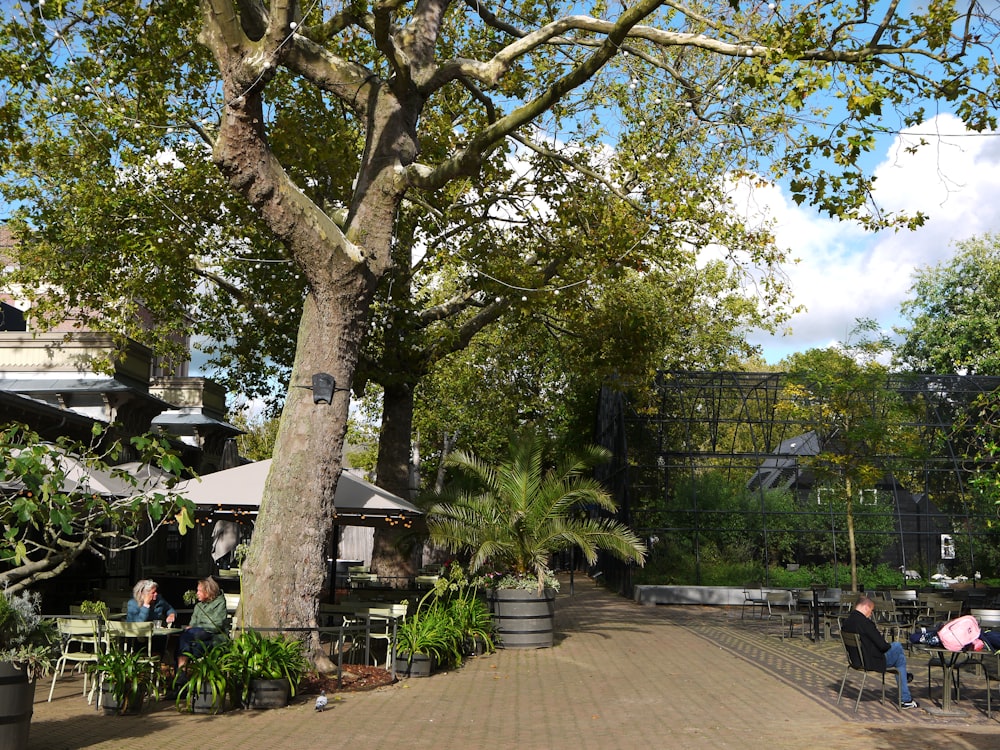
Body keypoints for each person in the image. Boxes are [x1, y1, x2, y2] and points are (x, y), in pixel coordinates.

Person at [842, 595, 918, 709]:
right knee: (897, 647)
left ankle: (906, 695)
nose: (871, 614)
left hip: (855, 660)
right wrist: (887, 644)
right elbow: (882, 646)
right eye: (871, 611)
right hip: (870, 661)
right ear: (866, 607)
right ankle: (905, 694)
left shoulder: (847, 622)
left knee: (900, 659)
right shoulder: (865, 623)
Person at [176, 576, 230, 669]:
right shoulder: (198, 606)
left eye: (199, 591)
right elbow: (192, 624)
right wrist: (197, 626)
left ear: (208, 591)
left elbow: (216, 626)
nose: (197, 594)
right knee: (183, 645)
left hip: (215, 638)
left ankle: (181, 673)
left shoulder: (220, 603)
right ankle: (181, 677)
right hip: (198, 639)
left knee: (186, 639)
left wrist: (198, 625)